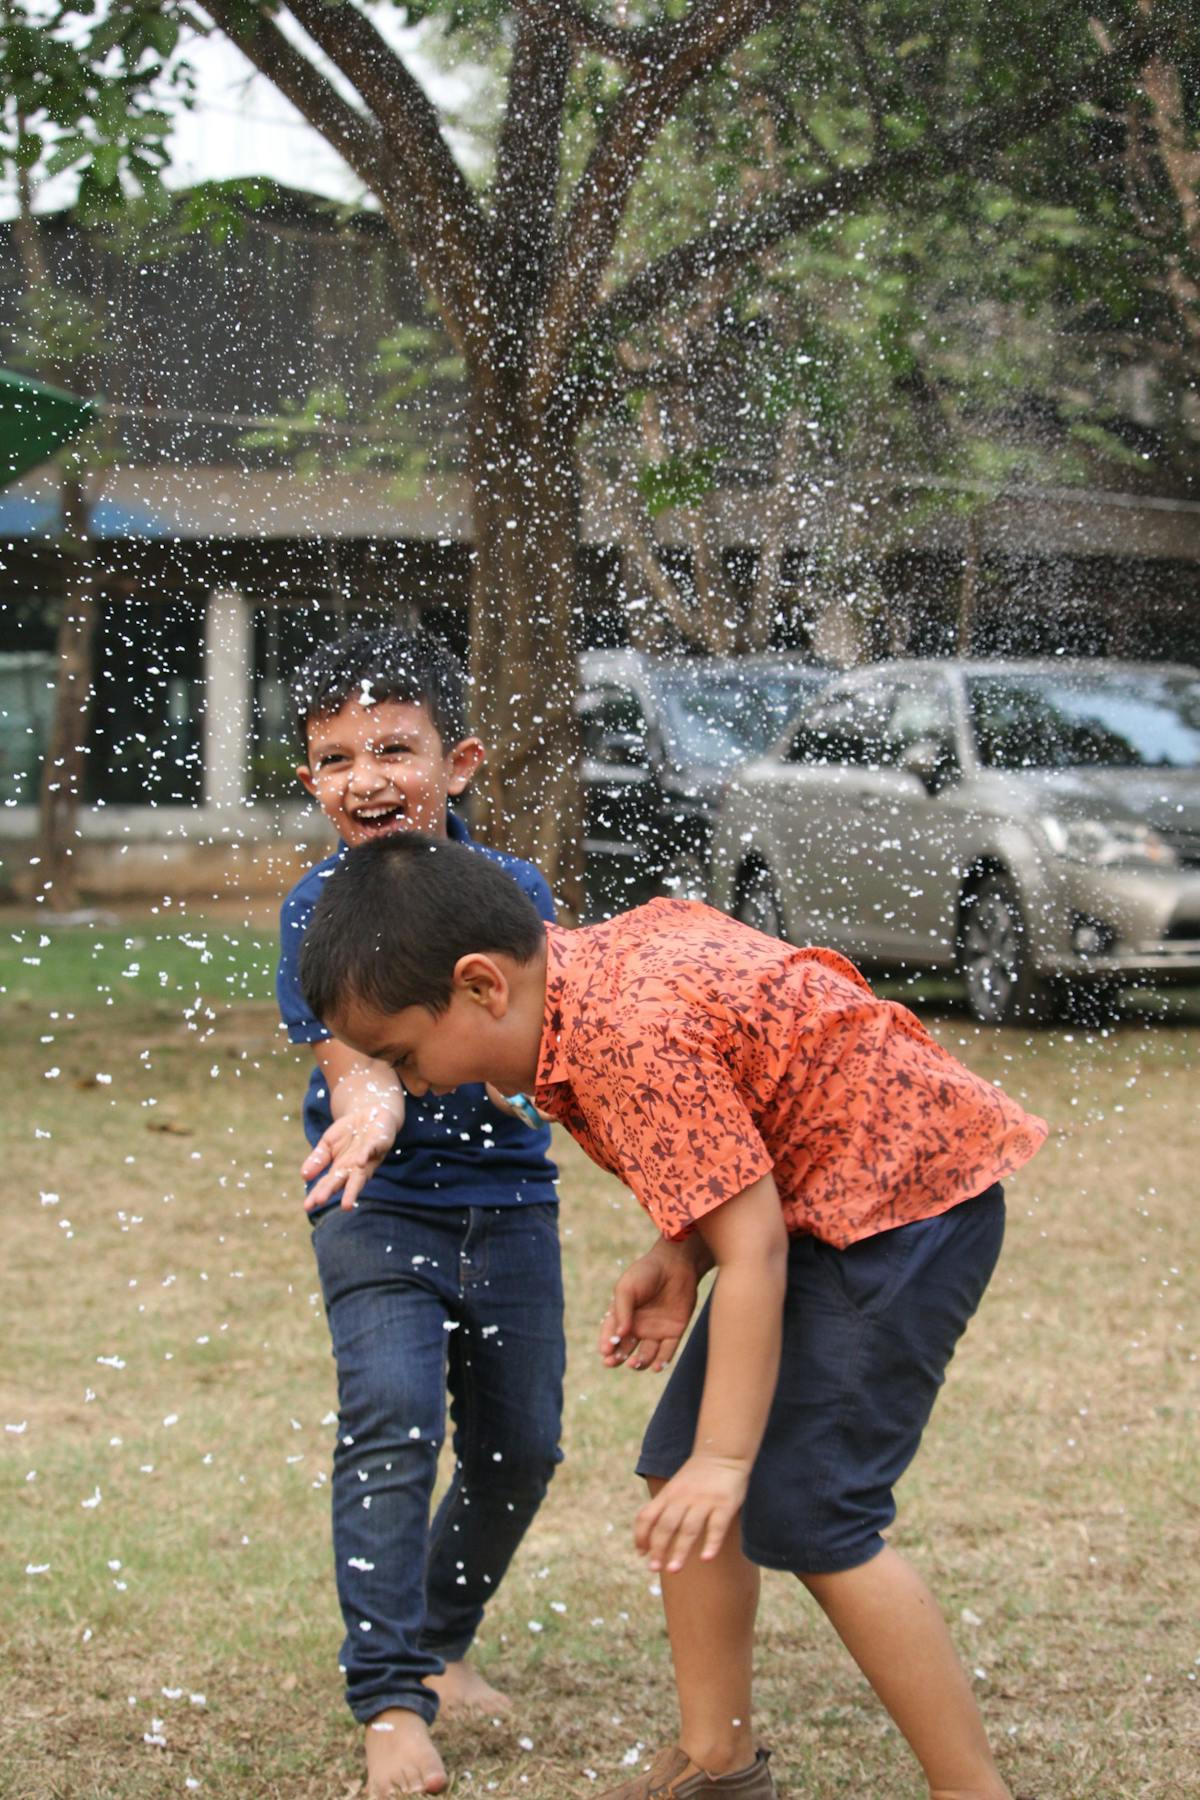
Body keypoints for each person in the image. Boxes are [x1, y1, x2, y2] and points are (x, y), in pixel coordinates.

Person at [297, 831, 1049, 1800]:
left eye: (403, 1055)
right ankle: (718, 1764)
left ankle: (972, 1791)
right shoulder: (588, 975)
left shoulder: (623, 1036)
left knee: (811, 1510)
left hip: (905, 1206)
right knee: (674, 1463)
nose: (413, 1082)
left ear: (482, 986)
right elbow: (755, 1105)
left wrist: (730, 1460)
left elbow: (760, 1252)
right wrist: (680, 1248)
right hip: (825, 1198)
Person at [276, 630, 564, 1799]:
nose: (369, 776)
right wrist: (370, 1103)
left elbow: (542, 1054)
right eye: (338, 757)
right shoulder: (314, 911)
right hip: (371, 1198)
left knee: (522, 1447)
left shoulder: (516, 897)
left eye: (397, 747)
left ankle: (442, 1639)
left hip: (509, 1200)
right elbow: (355, 1060)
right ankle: (391, 1698)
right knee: (392, 1421)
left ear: (460, 765)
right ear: (312, 784)